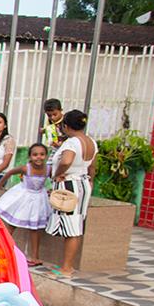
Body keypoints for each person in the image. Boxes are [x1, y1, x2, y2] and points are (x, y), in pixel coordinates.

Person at [45, 110, 96, 277]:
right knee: (76, 222)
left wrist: (58, 173)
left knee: (72, 225)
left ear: (66, 126)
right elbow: (92, 167)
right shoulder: (91, 142)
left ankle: (66, 267)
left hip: (70, 184)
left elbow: (66, 160)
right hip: (83, 182)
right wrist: (91, 181)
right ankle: (67, 265)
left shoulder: (72, 143)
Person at [0, 143, 52, 265]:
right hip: (24, 198)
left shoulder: (48, 169)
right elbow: (10, 173)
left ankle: (35, 256)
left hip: (38, 200)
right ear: (30, 156)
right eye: (35, 155)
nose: (39, 157)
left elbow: (54, 178)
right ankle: (0, 250)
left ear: (46, 156)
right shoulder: (26, 168)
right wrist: (0, 184)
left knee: (35, 229)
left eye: (42, 154)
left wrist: (53, 188)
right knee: (12, 224)